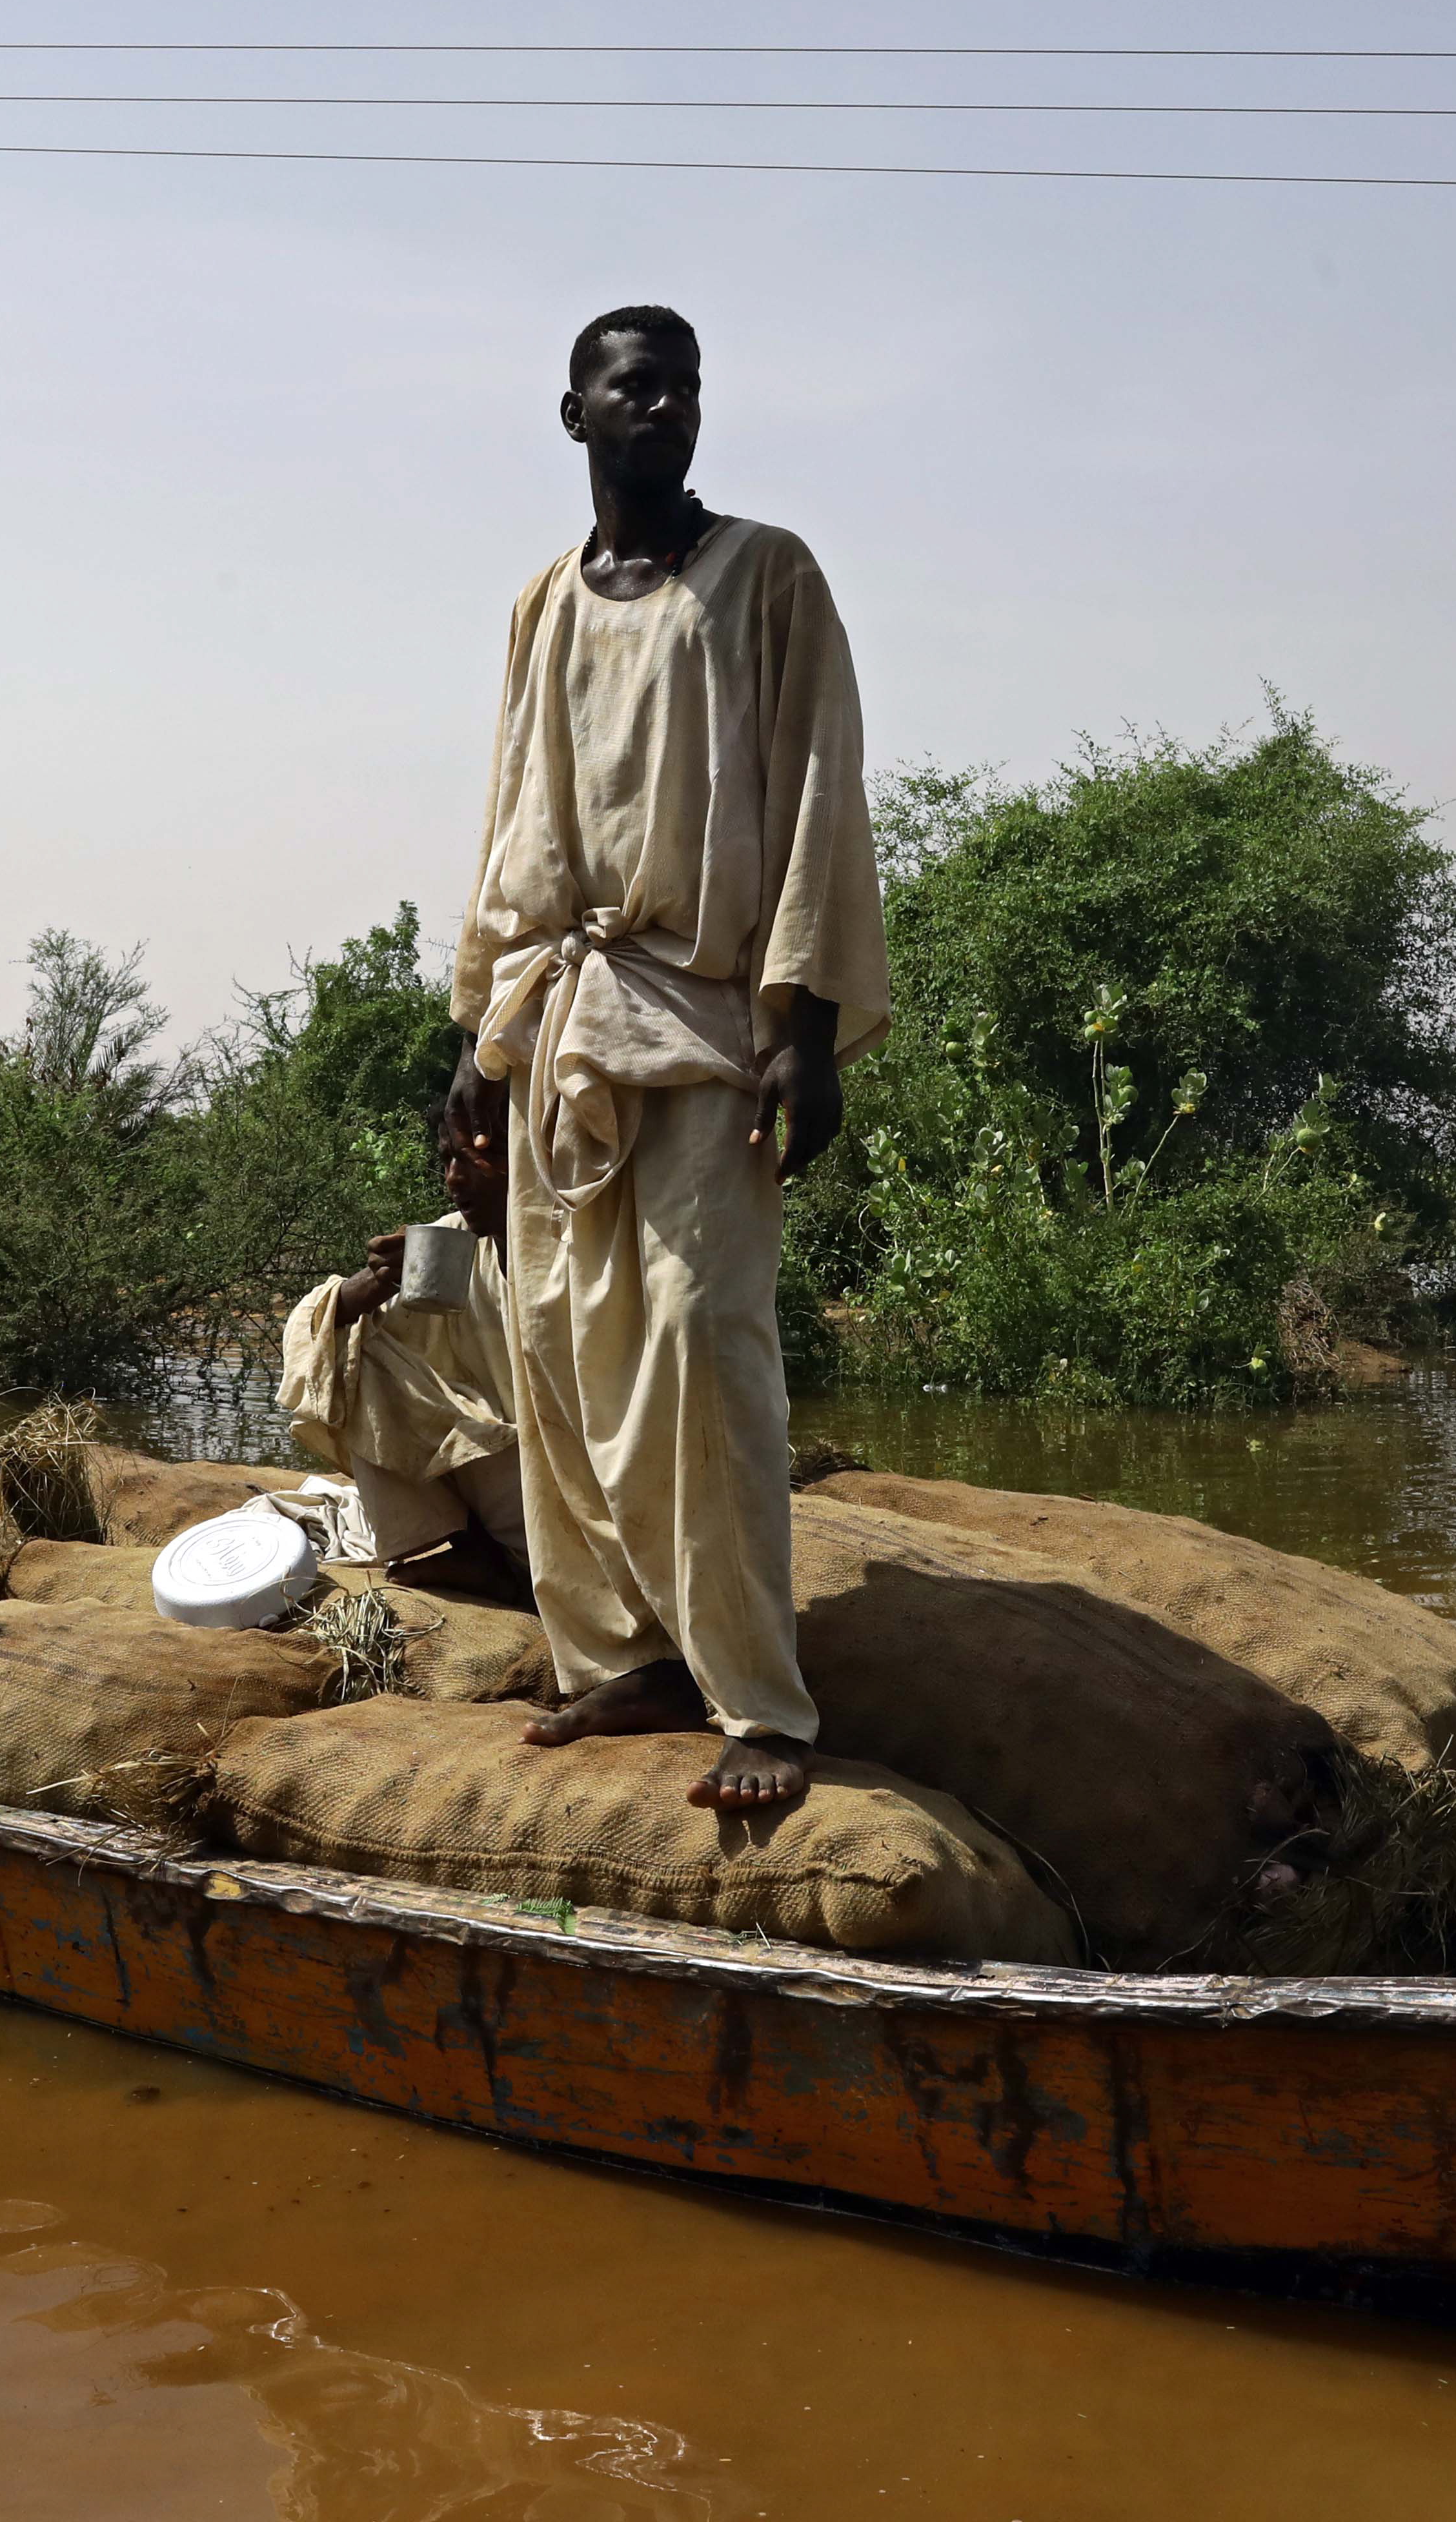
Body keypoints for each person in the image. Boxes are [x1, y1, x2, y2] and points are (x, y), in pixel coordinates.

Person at [447, 304, 888, 1811]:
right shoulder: (541, 604)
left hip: (704, 1012)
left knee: (705, 1346)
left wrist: (805, 1026)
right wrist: (474, 1045)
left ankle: (759, 1704)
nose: (667, 409)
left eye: (686, 388)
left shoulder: (767, 576)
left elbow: (822, 788)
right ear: (573, 414)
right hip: (558, 1021)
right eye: (636, 388)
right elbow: (514, 825)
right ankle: (621, 1651)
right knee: (560, 1348)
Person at [278, 1108, 527, 1607]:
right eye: (447, 1161)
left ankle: (523, 1574)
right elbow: (313, 1331)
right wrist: (377, 1282)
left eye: (478, 1159)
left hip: (580, 1478)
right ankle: (475, 1551)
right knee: (354, 1345)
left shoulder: (584, 1240)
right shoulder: (456, 1238)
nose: (455, 1179)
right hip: (509, 1482)